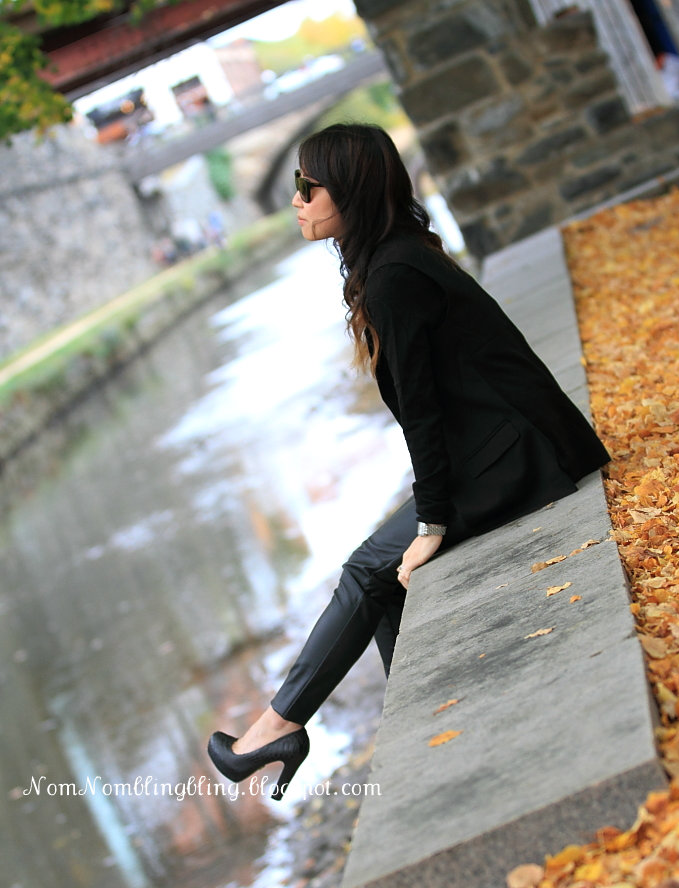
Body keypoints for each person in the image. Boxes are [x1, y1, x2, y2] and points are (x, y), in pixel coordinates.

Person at [207, 123, 609, 800]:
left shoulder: (393, 276)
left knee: (368, 568)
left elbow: (422, 414)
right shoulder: (394, 257)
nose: (297, 200)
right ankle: (425, 733)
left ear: (352, 191)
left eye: (309, 186)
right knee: (384, 577)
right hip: (506, 440)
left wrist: (431, 525)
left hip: (520, 452)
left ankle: (278, 726)